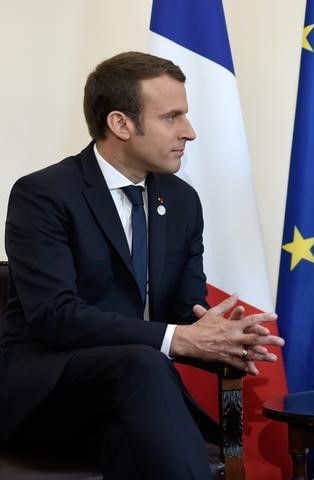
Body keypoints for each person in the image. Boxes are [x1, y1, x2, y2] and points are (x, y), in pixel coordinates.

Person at [0, 51, 285, 479]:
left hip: (131, 398)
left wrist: (225, 339)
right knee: (143, 363)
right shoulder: (43, 195)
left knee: (133, 440)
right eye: (172, 117)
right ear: (121, 124)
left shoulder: (183, 202)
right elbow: (55, 317)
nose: (189, 132)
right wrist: (178, 340)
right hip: (48, 396)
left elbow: (185, 314)